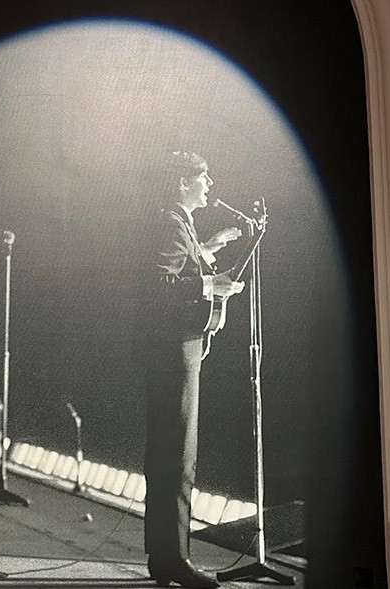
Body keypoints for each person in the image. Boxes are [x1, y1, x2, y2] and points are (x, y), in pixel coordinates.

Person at [140, 151, 244, 588]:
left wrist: (208, 248)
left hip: (168, 352)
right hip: (174, 353)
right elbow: (157, 282)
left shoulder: (175, 221)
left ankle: (163, 558)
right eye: (204, 177)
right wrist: (211, 283)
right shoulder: (170, 221)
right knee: (178, 457)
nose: (210, 183)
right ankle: (175, 561)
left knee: (166, 454)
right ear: (184, 182)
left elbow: (175, 264)